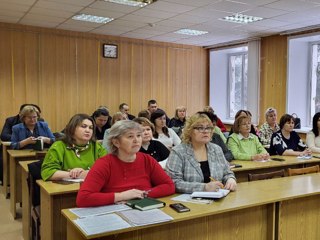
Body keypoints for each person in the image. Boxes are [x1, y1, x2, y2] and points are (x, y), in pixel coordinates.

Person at [76, 120, 175, 207]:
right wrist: (121, 196)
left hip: (143, 207)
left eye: (139, 135)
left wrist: (141, 194)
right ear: (116, 142)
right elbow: (83, 198)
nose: (136, 140)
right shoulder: (104, 164)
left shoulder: (147, 160)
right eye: (130, 136)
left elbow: (169, 185)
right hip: (114, 211)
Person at [165, 113, 237, 193]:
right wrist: (204, 187)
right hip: (190, 202)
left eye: (208, 128)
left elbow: (227, 173)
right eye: (200, 128)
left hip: (217, 199)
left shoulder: (216, 149)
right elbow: (174, 183)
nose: (205, 131)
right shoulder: (178, 152)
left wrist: (231, 179)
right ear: (189, 131)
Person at [41, 114, 107, 181]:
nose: (88, 130)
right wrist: (74, 174)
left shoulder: (97, 147)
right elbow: (47, 172)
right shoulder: (59, 146)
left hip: (93, 186)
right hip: (65, 188)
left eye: (91, 128)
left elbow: (107, 169)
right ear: (73, 128)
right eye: (83, 126)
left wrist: (86, 173)